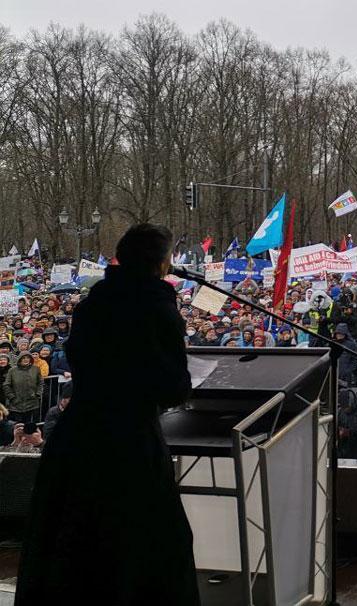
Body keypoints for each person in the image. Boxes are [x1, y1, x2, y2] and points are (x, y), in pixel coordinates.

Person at [17, 223, 200, 606]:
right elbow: (171, 386)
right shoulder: (155, 306)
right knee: (145, 544)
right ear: (161, 262)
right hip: (129, 445)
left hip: (77, 440)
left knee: (73, 543)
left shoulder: (93, 303)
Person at [2, 351, 40, 424]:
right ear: (20, 359)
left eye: (28, 358)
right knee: (18, 426)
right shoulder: (12, 370)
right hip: (16, 404)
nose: (26, 359)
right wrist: (12, 397)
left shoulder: (36, 369)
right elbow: (6, 385)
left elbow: (40, 383)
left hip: (32, 403)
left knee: (29, 426)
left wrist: (38, 394)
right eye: (23, 358)